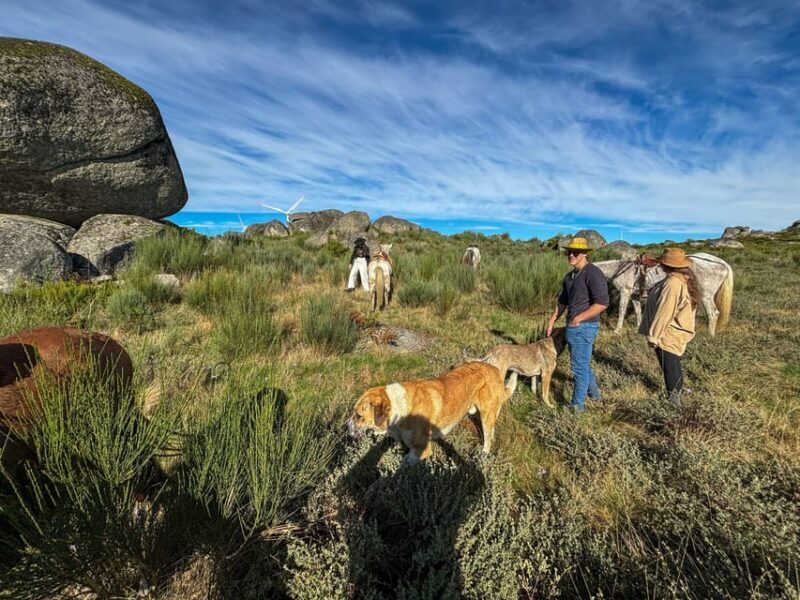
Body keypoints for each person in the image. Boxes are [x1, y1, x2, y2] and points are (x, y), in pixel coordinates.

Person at [546, 237, 609, 410]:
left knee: (578, 368)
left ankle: (576, 408)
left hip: (585, 327)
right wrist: (552, 320)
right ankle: (595, 395)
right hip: (573, 327)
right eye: (568, 252)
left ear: (585, 254)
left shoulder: (593, 273)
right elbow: (562, 301)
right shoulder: (569, 277)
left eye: (575, 252)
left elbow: (602, 303)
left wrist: (578, 318)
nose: (571, 255)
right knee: (582, 363)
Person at [638, 247, 698, 401]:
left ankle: (673, 402)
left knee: (669, 367)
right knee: (673, 364)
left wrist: (654, 336)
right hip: (675, 331)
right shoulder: (681, 279)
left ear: (666, 265)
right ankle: (677, 392)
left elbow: (665, 312)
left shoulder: (672, 283)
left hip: (668, 333)